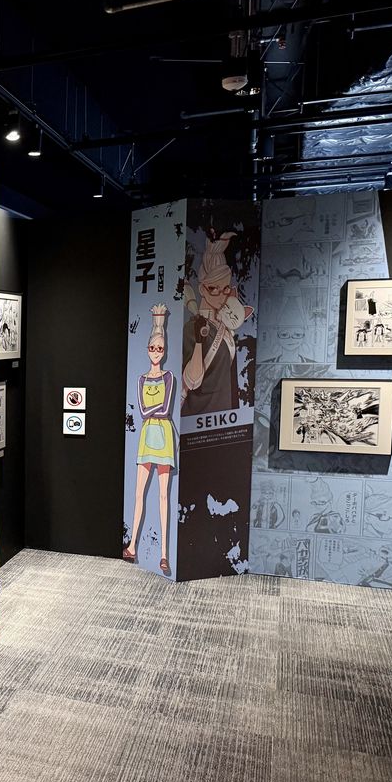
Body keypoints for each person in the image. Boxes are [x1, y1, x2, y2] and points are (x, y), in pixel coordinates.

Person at [123, 304, 176, 575]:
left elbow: (164, 409)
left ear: (164, 352)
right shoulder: (141, 379)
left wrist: (153, 410)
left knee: (163, 496)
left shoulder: (169, 377)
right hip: (147, 436)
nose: (156, 352)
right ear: (147, 350)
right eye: (153, 348)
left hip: (163, 435)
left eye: (160, 348)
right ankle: (132, 545)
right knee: (139, 493)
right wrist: (154, 410)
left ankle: (164, 554)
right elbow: (143, 412)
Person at [182, 231, 250, 415]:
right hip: (199, 414)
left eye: (225, 288)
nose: (221, 294)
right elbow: (192, 381)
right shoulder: (191, 328)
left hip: (224, 413)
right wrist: (198, 341)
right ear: (202, 289)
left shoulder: (225, 327)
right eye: (214, 288)